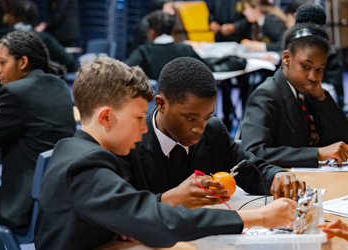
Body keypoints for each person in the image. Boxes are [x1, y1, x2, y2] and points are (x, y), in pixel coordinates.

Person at [34, 57, 298, 250]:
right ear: (105, 117)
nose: (143, 126)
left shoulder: (76, 151)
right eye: (138, 117)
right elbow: (154, 217)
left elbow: (130, 215)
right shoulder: (88, 164)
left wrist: (124, 224)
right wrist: (259, 216)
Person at [117, 56, 305, 210]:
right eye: (190, 119)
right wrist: (172, 199)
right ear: (161, 104)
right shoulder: (129, 143)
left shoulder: (214, 132)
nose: (200, 128)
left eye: (207, 116)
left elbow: (252, 172)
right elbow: (124, 209)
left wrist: (278, 176)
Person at [241, 5, 348, 168]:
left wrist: (321, 96)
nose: (313, 77)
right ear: (286, 58)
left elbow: (344, 138)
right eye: (305, 67)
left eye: (319, 69)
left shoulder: (310, 91)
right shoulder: (267, 95)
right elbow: (253, 152)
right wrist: (318, 154)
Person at [0, 30, 76, 228]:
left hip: (23, 206)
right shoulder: (59, 85)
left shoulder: (15, 92)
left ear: (23, 62)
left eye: (2, 63)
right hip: (56, 199)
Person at [125, 11, 245, 80]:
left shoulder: (144, 52)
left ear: (151, 32)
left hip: (155, 109)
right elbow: (208, 67)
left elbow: (125, 72)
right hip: (185, 109)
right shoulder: (185, 49)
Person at [0, 0, 77, 72]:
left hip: (4, 86)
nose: (7, 17)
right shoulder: (44, 38)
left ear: (16, 17)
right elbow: (69, 61)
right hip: (39, 87)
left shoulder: (1, 35)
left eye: (9, 13)